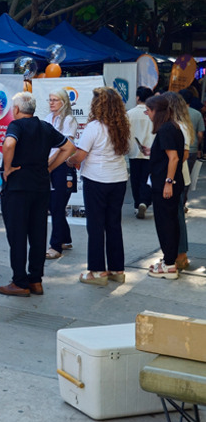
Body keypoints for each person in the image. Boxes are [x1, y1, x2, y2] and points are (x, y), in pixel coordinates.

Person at [0, 92, 75, 297]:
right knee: (38, 234)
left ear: (16, 110)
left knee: (17, 235)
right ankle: (36, 280)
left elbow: (8, 144)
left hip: (18, 188)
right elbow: (69, 147)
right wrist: (49, 168)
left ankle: (19, 281)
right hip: (40, 187)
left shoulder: (16, 126)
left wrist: (7, 168)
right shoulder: (44, 126)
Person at [65, 88, 130, 286]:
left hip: (97, 179)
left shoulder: (94, 127)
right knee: (113, 224)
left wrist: (69, 160)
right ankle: (117, 270)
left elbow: (80, 155)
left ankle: (97, 271)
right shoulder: (123, 126)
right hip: (118, 178)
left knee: (95, 226)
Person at [145, 94, 184, 279]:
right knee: (170, 222)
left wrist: (168, 182)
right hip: (167, 183)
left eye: (148, 110)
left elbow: (174, 157)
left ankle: (169, 264)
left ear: (156, 111)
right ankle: (169, 259)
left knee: (165, 223)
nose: (147, 114)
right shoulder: (172, 127)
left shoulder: (166, 129)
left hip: (165, 184)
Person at [45, 90, 79, 259]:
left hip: (62, 166)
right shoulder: (46, 118)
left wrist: (50, 162)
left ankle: (55, 246)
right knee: (53, 205)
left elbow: (65, 147)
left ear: (64, 102)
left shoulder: (69, 120)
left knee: (57, 206)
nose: (51, 103)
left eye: (55, 100)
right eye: (50, 100)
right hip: (48, 164)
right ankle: (65, 238)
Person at [164, 91, 194, 271]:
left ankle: (180, 255)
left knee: (175, 217)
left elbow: (182, 155)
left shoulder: (177, 127)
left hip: (176, 178)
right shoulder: (182, 125)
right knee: (176, 217)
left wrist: (168, 176)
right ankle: (179, 254)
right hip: (178, 177)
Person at [128, 86, 155, 219]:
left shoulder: (130, 113)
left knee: (135, 178)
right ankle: (144, 201)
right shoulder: (153, 113)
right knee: (148, 178)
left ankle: (136, 204)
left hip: (134, 150)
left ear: (138, 97)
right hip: (150, 151)